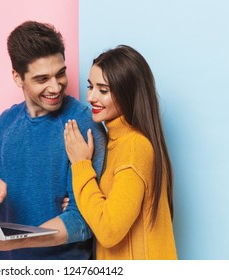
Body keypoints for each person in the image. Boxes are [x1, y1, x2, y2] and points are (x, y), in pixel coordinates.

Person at [0, 21, 107, 260]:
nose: (56, 86)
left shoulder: (82, 123)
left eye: (60, 73)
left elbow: (84, 220)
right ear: (17, 77)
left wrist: (13, 242)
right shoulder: (6, 122)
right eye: (42, 79)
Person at [64, 45, 177, 259]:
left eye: (103, 90)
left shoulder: (134, 147)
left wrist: (81, 165)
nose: (90, 97)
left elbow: (109, 230)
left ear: (128, 94)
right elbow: (108, 206)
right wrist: (81, 199)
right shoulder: (115, 142)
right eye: (90, 87)